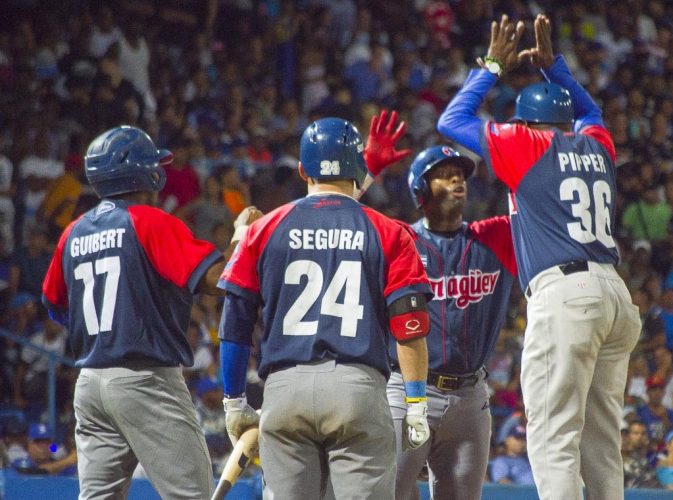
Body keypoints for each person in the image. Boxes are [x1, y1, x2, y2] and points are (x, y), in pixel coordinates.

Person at [437, 14, 641, 500]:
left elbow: (452, 121)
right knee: (601, 442)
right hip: (615, 292)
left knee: (553, 438)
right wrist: (557, 70)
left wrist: (490, 66)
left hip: (567, 295)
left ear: (525, 122)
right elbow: (592, 114)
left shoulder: (524, 143)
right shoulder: (595, 143)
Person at [217, 117, 433, 499]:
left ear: (302, 169)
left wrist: (235, 401)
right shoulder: (390, 231)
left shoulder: (263, 229)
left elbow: (234, 323)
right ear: (357, 168)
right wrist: (415, 401)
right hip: (358, 389)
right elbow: (408, 326)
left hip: (284, 391)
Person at [41, 125, 259, 499]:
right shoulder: (148, 220)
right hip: (145, 380)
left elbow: (56, 306)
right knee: (192, 495)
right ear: (143, 171)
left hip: (90, 382)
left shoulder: (73, 233)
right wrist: (241, 237)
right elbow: (220, 280)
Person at [378, 144, 516, 499]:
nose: (457, 178)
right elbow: (344, 222)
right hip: (408, 391)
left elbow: (539, 209)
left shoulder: (496, 237)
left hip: (471, 397)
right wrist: (366, 170)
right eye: (443, 173)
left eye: (461, 174)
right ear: (420, 191)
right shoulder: (401, 240)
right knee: (385, 493)